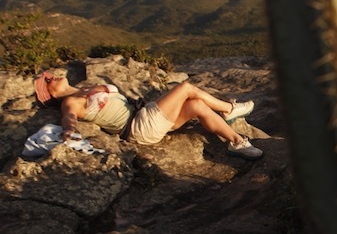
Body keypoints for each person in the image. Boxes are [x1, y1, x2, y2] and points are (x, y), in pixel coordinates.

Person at [34, 69, 263, 160]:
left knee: (197, 106)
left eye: (49, 75)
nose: (51, 76)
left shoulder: (84, 89)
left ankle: (237, 142)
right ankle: (229, 109)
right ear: (50, 95)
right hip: (139, 126)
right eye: (48, 81)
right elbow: (69, 117)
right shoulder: (70, 102)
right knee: (185, 88)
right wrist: (68, 131)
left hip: (146, 119)